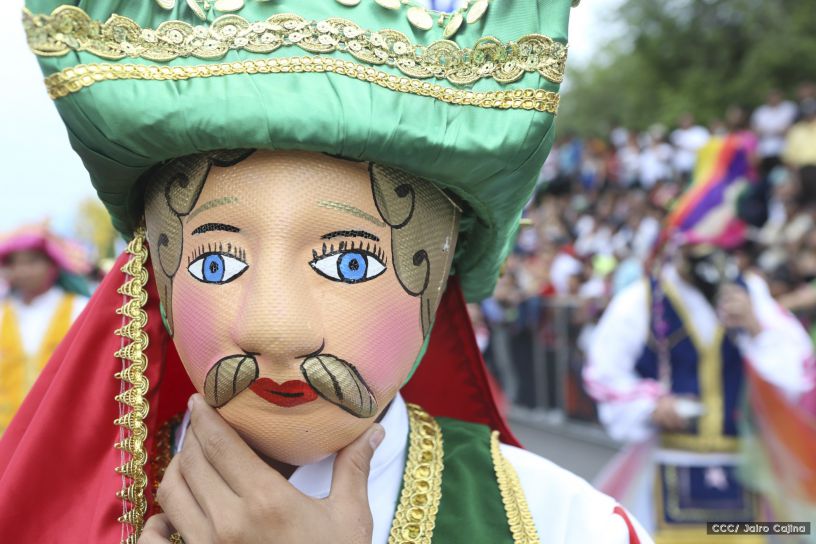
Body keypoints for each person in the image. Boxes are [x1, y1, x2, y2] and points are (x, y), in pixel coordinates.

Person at [2, 1, 650, 543]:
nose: (274, 330)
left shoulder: (564, 524)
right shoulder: (78, 514)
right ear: (159, 279)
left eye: (350, 261)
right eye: (217, 259)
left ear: (441, 265)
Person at [584, 135, 814, 542]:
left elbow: (800, 370)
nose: (711, 264)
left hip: (742, 474)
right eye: (700, 253)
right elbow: (604, 374)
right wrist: (652, 404)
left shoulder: (751, 294)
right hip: (666, 473)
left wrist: (756, 328)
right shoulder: (642, 299)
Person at [0, 224, 89, 433]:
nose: (23, 270)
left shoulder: (79, 309)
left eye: (32, 262)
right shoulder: (2, 314)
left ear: (53, 265)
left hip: (59, 432)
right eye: (15, 263)